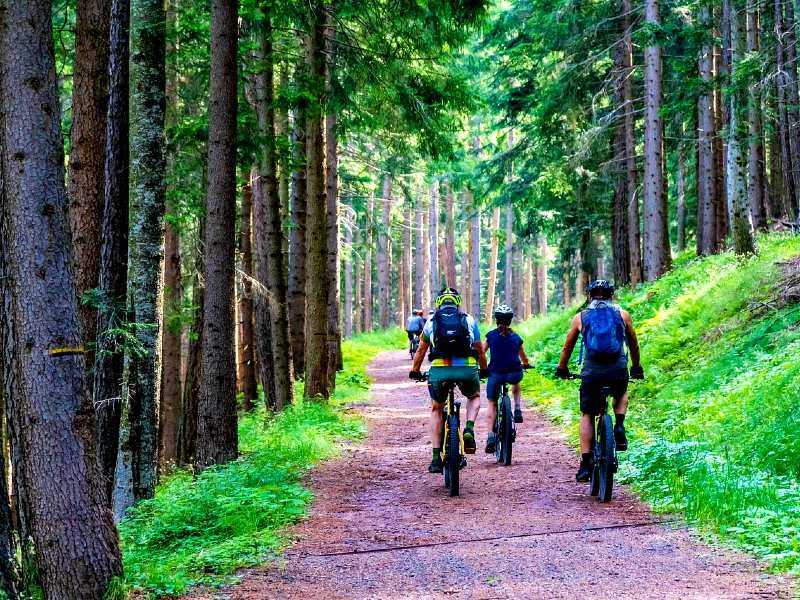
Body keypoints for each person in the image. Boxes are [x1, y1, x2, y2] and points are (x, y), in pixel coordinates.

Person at [555, 279, 644, 482]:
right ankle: (619, 425)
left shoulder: (581, 317)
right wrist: (636, 367)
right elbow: (633, 344)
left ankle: (586, 463)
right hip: (617, 369)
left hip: (592, 373)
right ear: (611, 294)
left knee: (587, 413)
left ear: (590, 295)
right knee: (621, 392)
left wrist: (562, 368)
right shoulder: (623, 315)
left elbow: (567, 347)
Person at [409, 288, 489, 473]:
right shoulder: (468, 320)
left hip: (440, 371)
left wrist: (415, 371)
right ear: (457, 302)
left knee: (437, 408)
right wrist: (483, 369)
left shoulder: (431, 321)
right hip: (467, 370)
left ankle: (436, 458)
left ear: (439, 303)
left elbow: (421, 350)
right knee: (474, 396)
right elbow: (479, 349)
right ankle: (468, 428)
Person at [482, 305, 530, 454]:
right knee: (516, 381)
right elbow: (523, 356)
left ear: (496, 320)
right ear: (510, 320)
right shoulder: (516, 337)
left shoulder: (490, 336)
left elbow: (481, 353)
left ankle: (490, 435)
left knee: (491, 402)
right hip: (513, 373)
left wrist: (481, 368)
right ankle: (517, 408)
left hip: (495, 374)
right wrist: (526, 364)